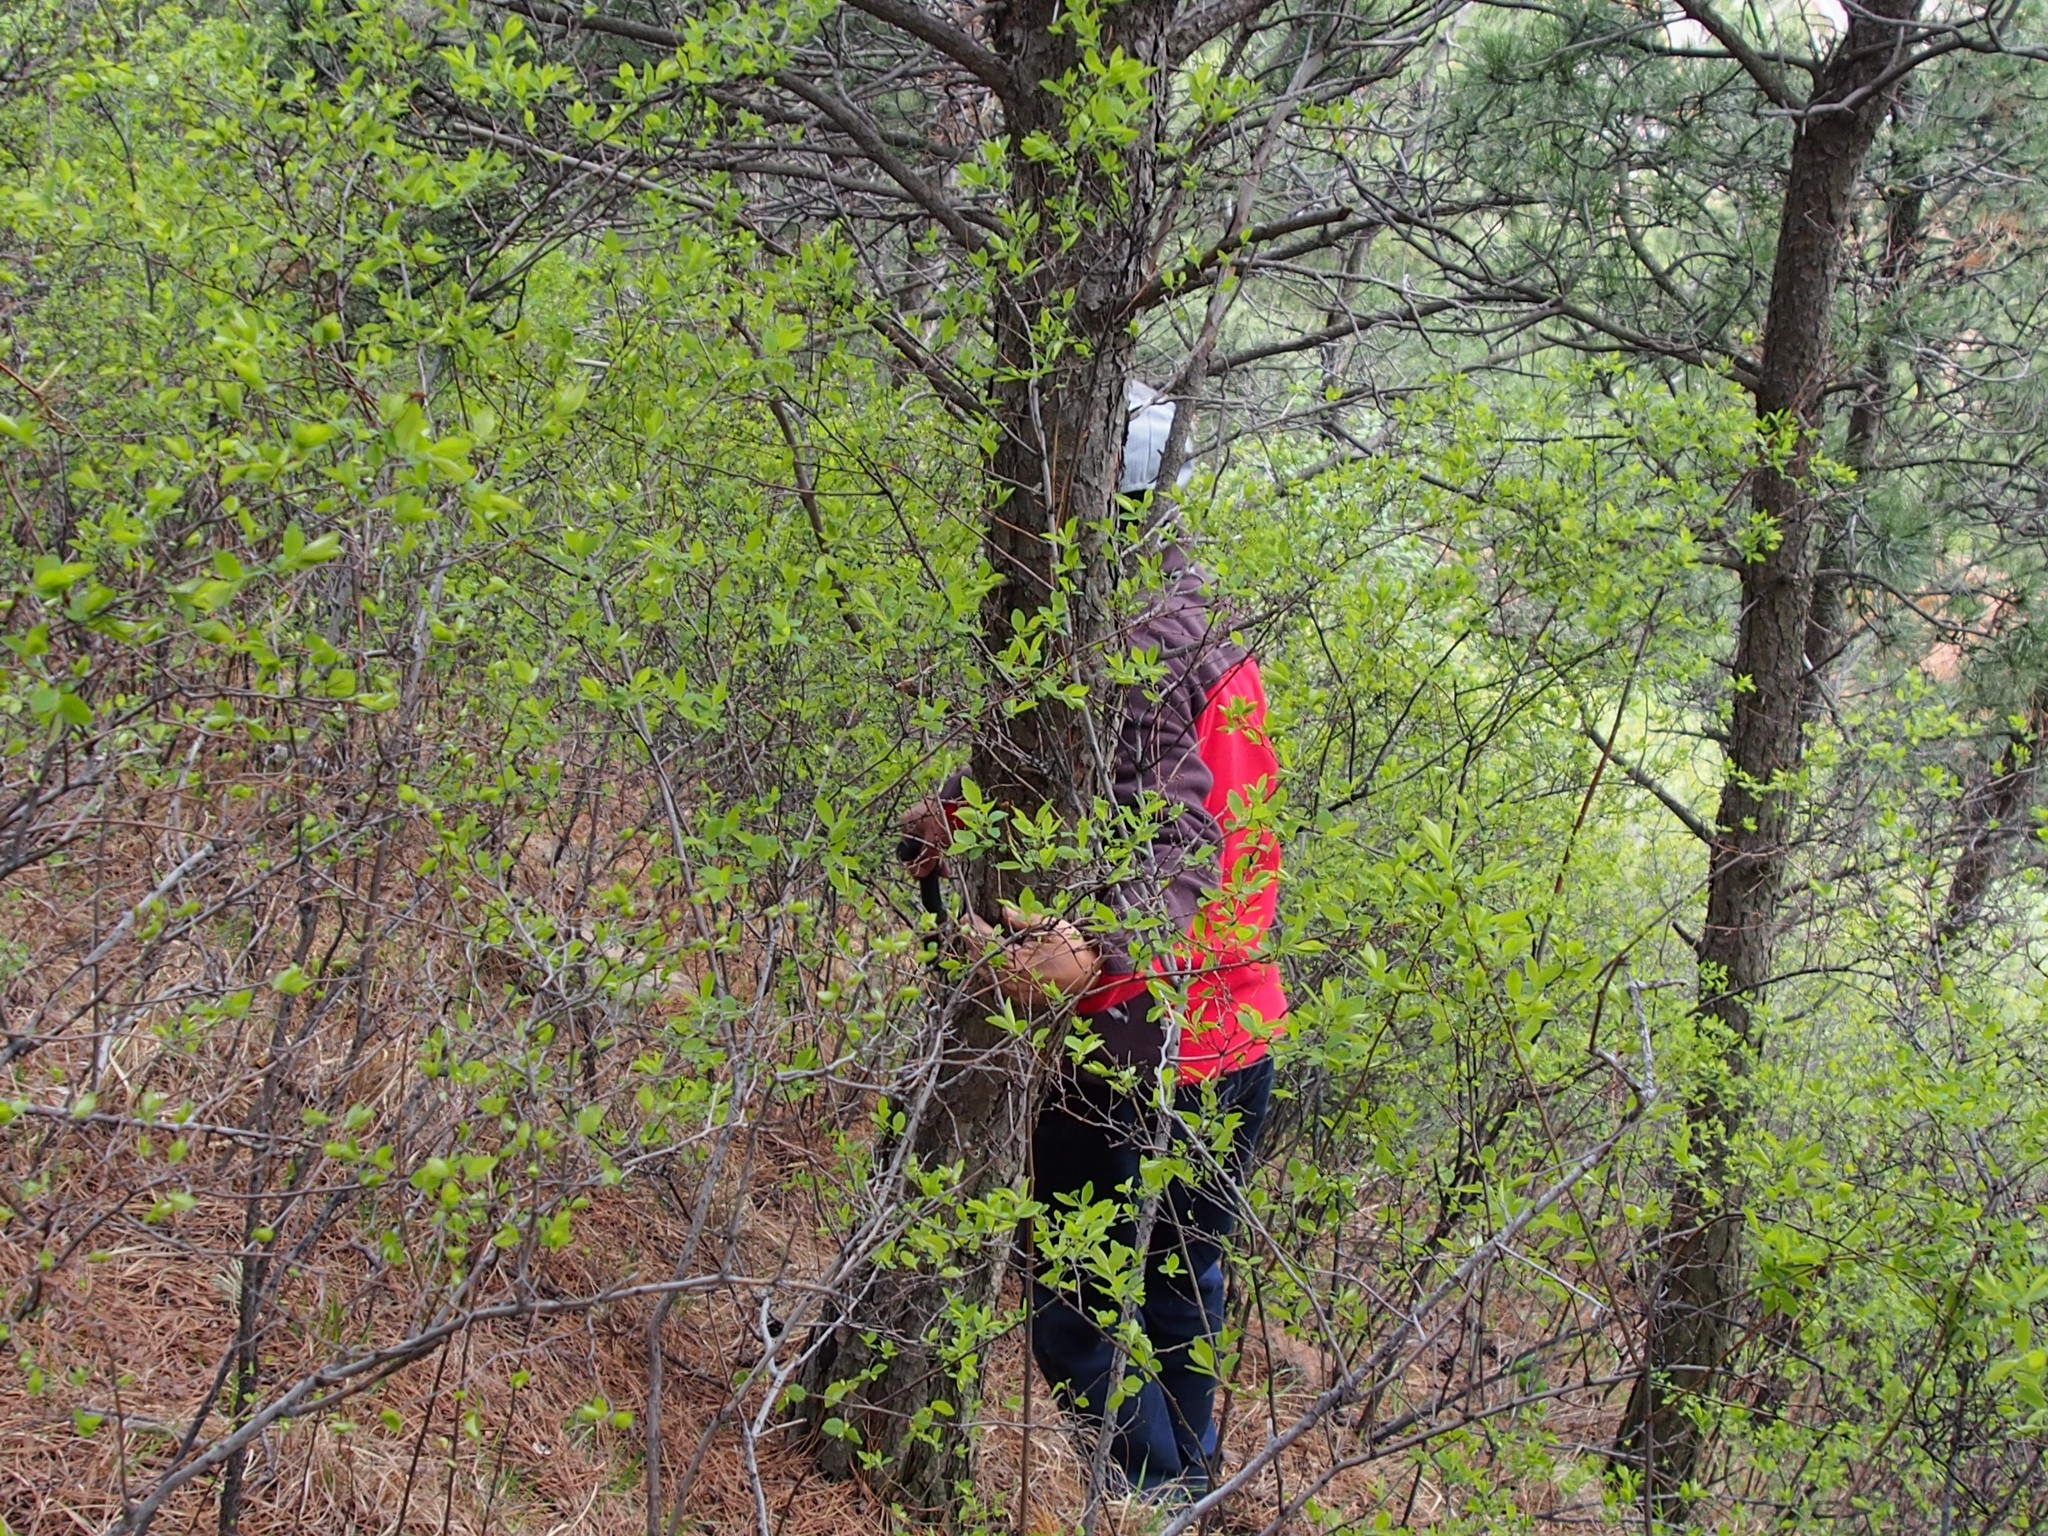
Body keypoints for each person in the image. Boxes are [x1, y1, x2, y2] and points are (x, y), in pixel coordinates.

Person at [896, 381, 1287, 1498]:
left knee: (1074, 1315)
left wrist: (1098, 952)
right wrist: (960, 814)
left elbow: (1169, 834)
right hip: (1234, 1036)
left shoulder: (1135, 644)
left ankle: (1157, 1506)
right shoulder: (1206, 634)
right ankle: (1192, 1492)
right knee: (1180, 1292)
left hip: (1139, 1039)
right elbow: (1084, 771)